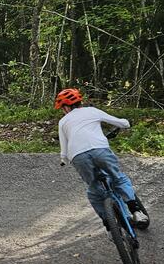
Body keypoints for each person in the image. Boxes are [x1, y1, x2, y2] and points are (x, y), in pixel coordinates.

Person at [54, 88, 150, 231]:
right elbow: (122, 123)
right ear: (80, 102)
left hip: (78, 156)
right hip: (100, 149)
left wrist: (63, 159)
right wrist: (126, 122)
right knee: (118, 178)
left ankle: (110, 226)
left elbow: (64, 150)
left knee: (94, 190)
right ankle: (136, 211)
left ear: (66, 107)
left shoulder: (63, 122)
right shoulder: (92, 111)